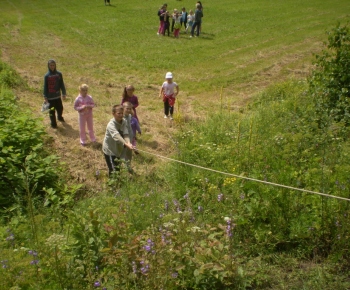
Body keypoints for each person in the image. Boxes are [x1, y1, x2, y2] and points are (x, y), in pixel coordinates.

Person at [102, 105, 134, 176]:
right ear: (113, 113)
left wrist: (128, 142)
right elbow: (116, 136)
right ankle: (112, 185)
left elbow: (126, 134)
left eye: (122, 113)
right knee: (113, 170)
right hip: (109, 150)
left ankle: (117, 183)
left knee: (117, 168)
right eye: (119, 113)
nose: (121, 115)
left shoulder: (124, 121)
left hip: (117, 150)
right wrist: (126, 144)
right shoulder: (111, 125)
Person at [43, 59, 67, 129]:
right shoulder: (47, 76)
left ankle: (59, 116)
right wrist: (45, 96)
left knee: (60, 108)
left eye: (53, 65)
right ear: (48, 66)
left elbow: (61, 84)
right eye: (51, 65)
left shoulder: (59, 74)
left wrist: (64, 93)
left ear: (55, 65)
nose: (52, 66)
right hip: (50, 98)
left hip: (57, 96)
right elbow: (45, 86)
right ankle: (53, 123)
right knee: (52, 111)